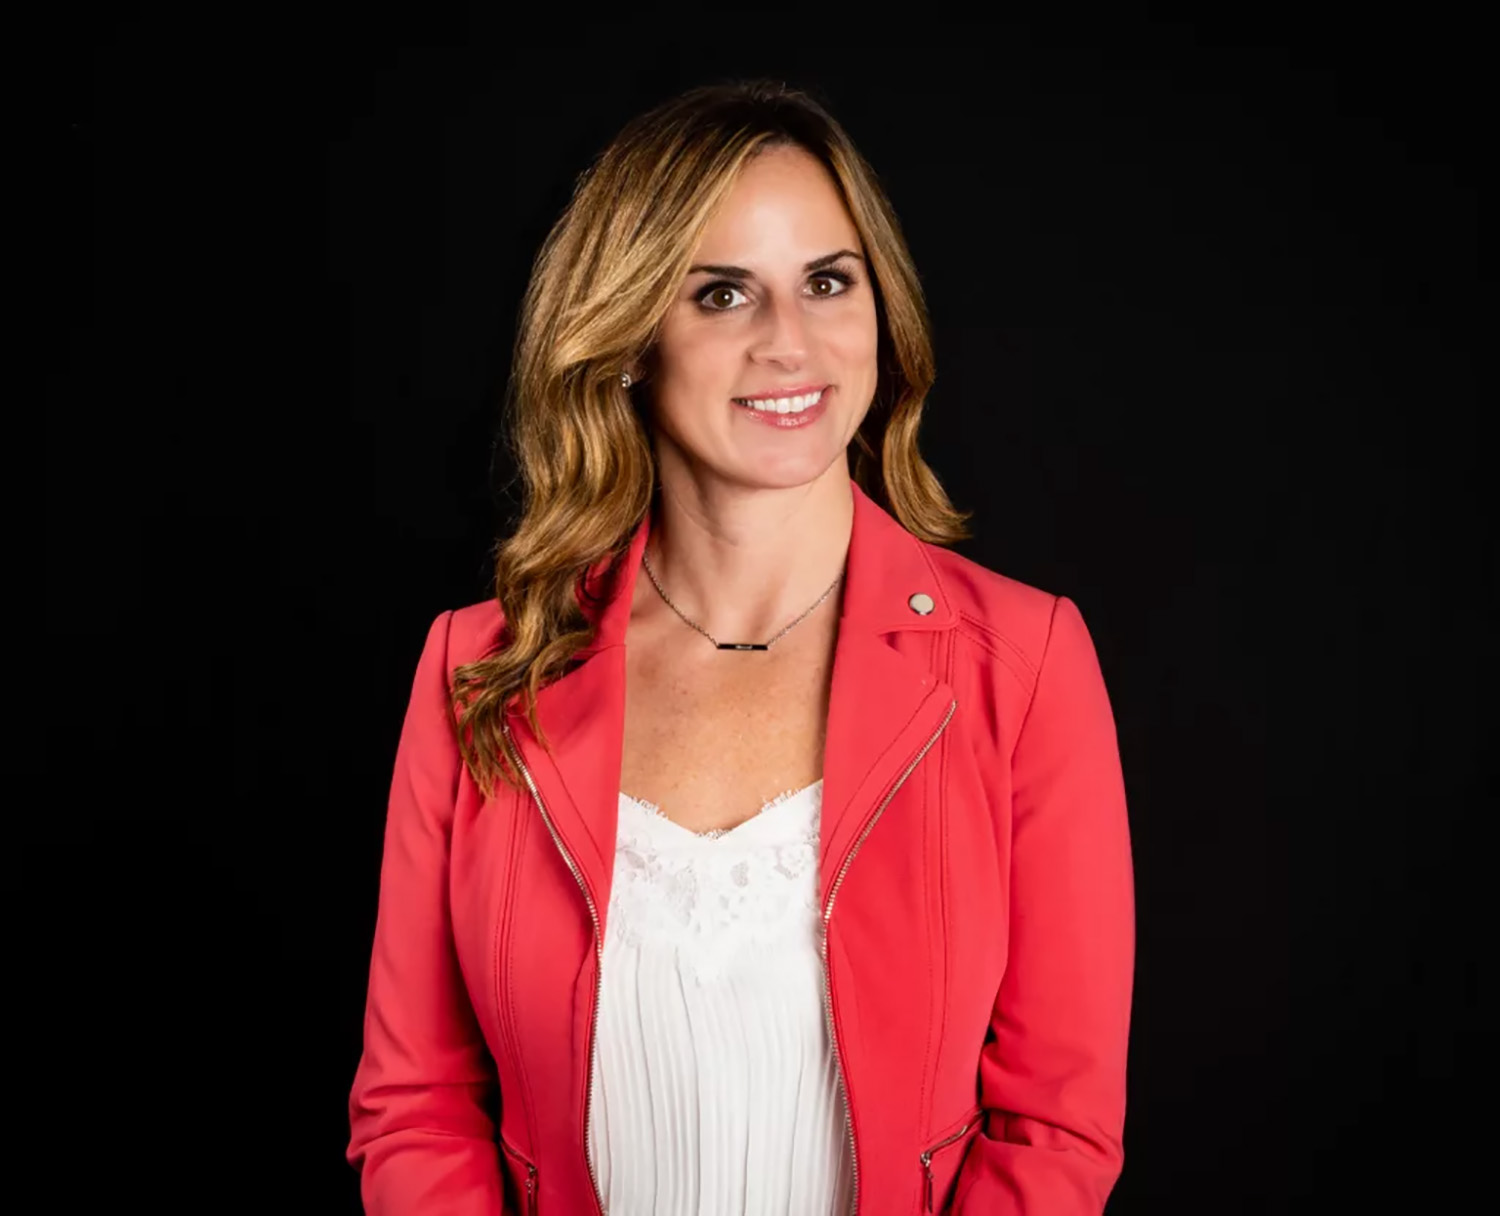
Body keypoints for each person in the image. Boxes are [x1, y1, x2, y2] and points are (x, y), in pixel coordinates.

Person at [345, 79, 1135, 1216]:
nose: (791, 342)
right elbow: (416, 1104)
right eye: (722, 293)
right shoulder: (478, 670)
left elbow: (1054, 1130)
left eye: (828, 281)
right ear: (626, 340)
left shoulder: (1026, 661)